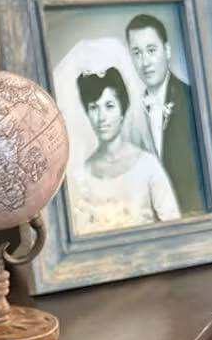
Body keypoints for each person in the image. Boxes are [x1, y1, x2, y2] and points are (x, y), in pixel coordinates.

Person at [69, 67, 179, 235]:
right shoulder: (82, 175)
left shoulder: (147, 165)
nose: (101, 117)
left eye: (109, 106)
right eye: (93, 107)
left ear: (122, 110)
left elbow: (175, 225)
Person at [125, 14, 203, 214]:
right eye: (137, 53)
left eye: (151, 50)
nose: (145, 62)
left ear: (167, 50)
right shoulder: (128, 112)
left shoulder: (194, 101)